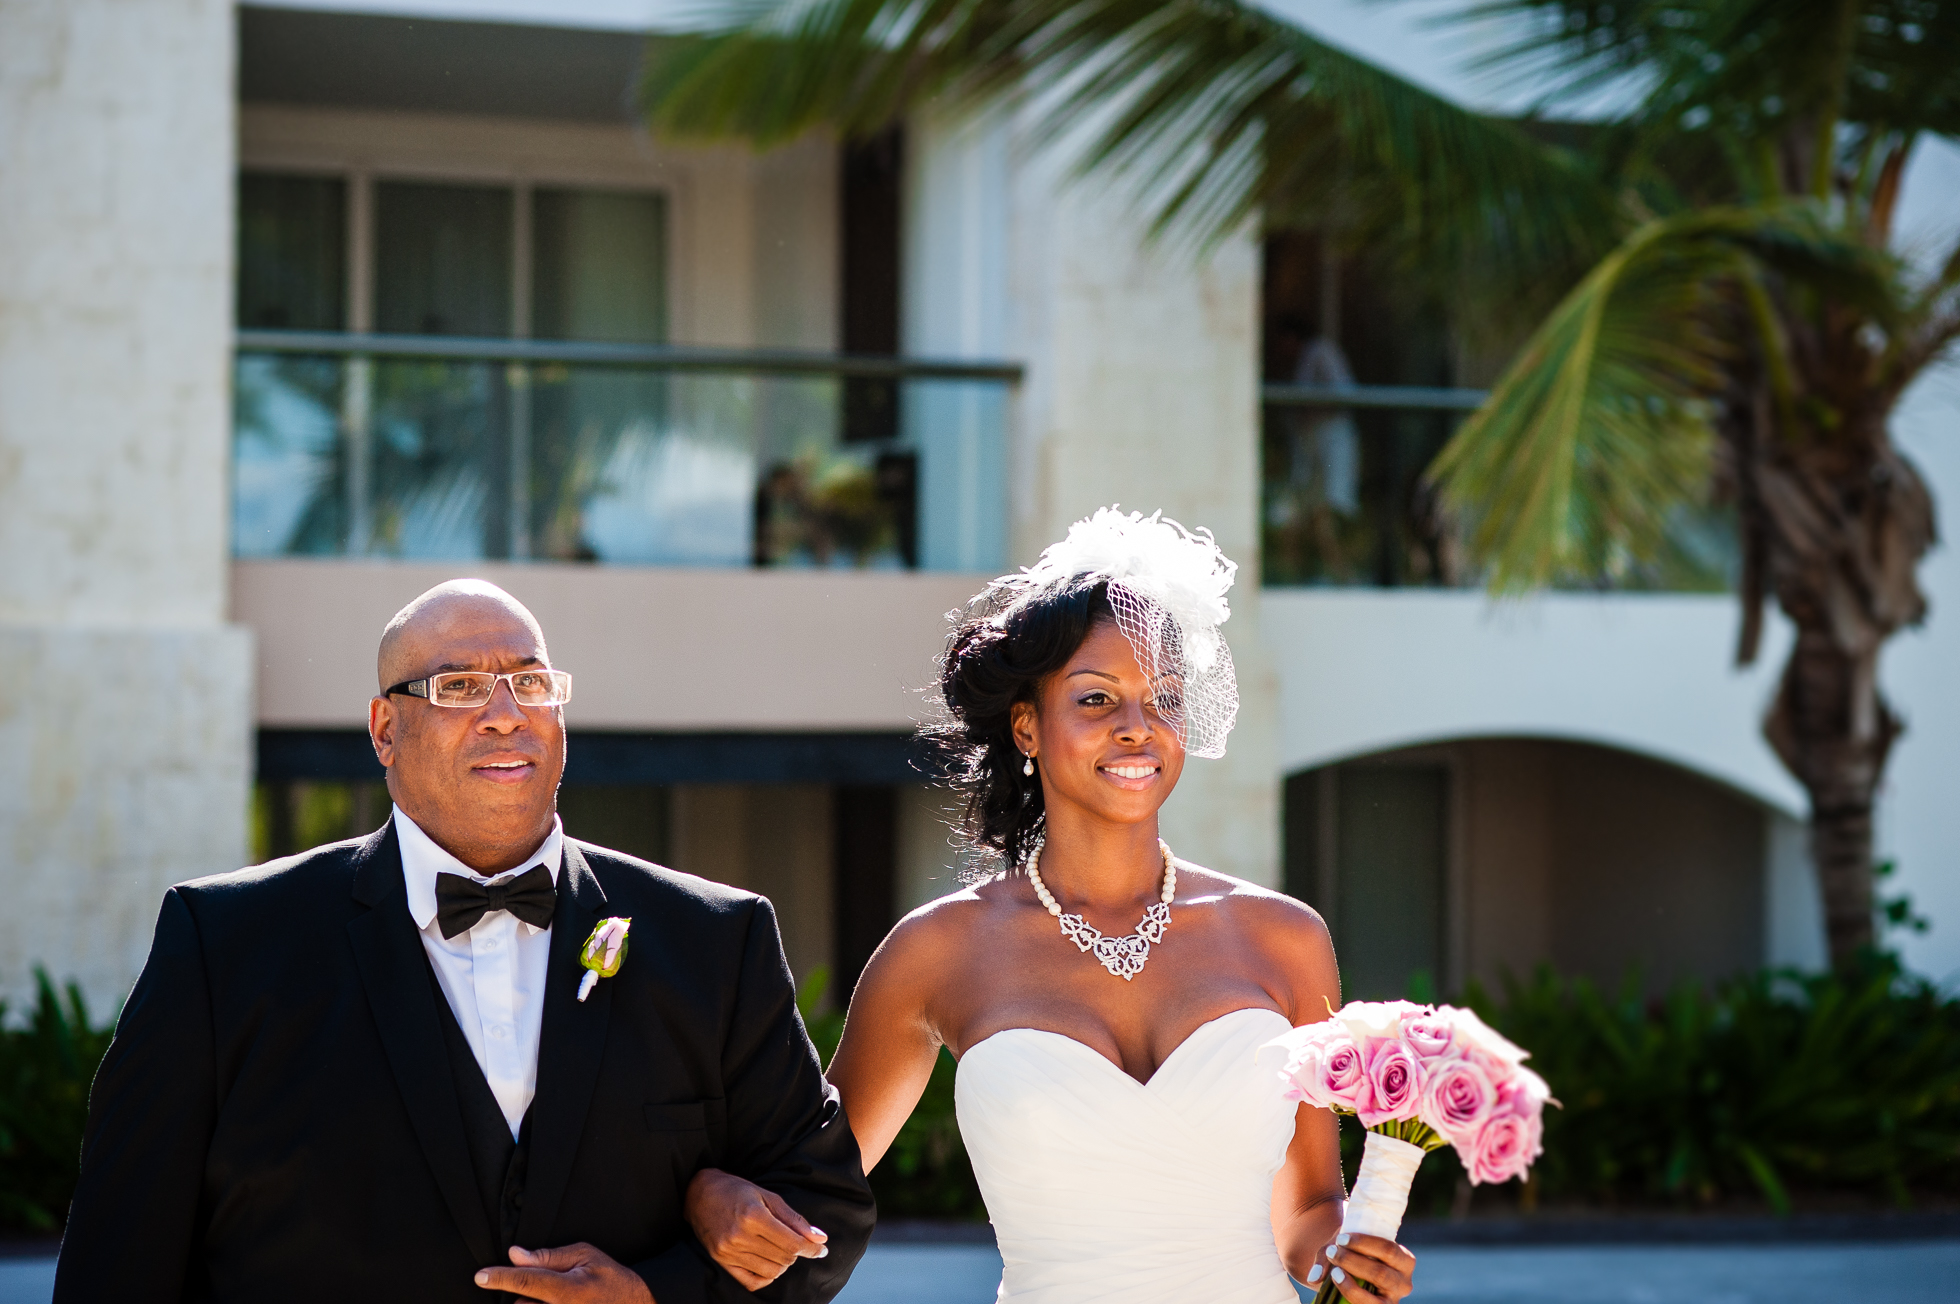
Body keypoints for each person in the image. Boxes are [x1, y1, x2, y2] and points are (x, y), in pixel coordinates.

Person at [55, 580, 873, 1304]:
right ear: (384, 730)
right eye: (460, 687)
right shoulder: (223, 945)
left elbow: (824, 1208)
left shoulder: (715, 940)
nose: (507, 713)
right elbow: (120, 1258)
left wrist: (659, 1296)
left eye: (530, 683)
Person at [684, 508, 1419, 1303]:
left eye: (1163, 697)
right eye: (1097, 700)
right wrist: (705, 1196)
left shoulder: (1286, 939)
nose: (1140, 729)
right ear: (1028, 727)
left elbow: (1309, 1208)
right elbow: (810, 1191)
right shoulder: (937, 952)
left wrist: (1346, 1259)